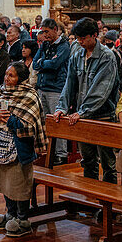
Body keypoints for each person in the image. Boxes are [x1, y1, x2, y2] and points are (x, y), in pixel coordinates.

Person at [54, 17, 120, 183]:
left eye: (83, 38)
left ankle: (107, 203)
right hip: (82, 116)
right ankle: (90, 201)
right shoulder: (77, 54)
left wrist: (82, 111)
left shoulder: (107, 56)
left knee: (107, 162)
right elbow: (69, 83)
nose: (80, 42)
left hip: (102, 115)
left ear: (95, 35)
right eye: (78, 38)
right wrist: (62, 107)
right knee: (88, 160)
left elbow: (100, 90)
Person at [0, 61, 48, 238]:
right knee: (5, 181)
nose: (7, 78)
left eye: (11, 75)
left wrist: (8, 119)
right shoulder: (1, 91)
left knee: (18, 183)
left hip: (20, 145)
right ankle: (10, 214)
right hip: (0, 143)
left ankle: (23, 219)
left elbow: (29, 124)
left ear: (21, 78)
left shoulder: (30, 95)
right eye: (6, 74)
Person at [31, 19, 71, 164]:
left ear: (55, 29)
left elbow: (55, 64)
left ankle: (61, 153)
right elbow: (35, 63)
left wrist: (43, 63)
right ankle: (50, 150)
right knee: (46, 122)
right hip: (43, 87)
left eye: (47, 31)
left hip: (56, 88)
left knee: (57, 122)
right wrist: (43, 63)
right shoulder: (45, 45)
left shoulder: (64, 46)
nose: (44, 35)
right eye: (42, 32)